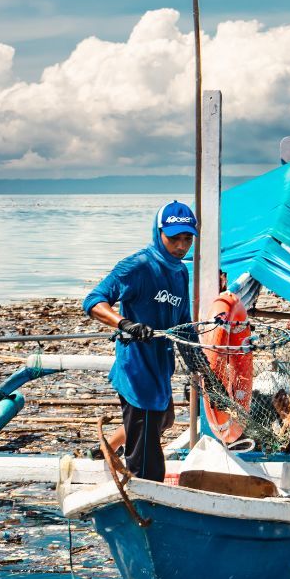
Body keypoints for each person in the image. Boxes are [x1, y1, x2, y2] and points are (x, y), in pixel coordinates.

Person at [83, 201, 196, 481]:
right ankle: (144, 501)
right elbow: (94, 301)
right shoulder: (137, 266)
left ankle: (108, 447)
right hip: (137, 371)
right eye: (174, 238)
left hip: (160, 367)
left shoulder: (181, 272)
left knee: (165, 419)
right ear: (159, 234)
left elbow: (182, 322)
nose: (181, 246)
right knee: (148, 462)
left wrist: (197, 359)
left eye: (187, 238)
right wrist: (126, 324)